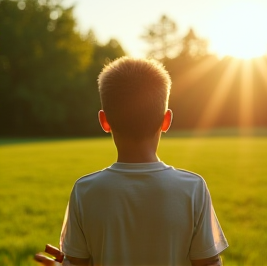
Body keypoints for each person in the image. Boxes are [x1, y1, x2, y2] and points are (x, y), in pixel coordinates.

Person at [36, 57, 228, 266]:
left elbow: (78, 262)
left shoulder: (85, 191)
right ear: (166, 121)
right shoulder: (193, 189)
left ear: (104, 121)